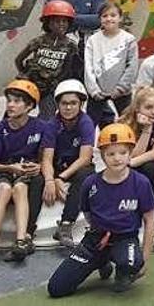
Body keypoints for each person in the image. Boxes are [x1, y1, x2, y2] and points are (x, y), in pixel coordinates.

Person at [46, 123, 154, 297]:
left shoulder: (141, 183)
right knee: (57, 288)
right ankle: (100, 261)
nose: (117, 158)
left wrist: (145, 258)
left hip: (125, 238)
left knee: (132, 264)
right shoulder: (90, 183)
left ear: (130, 153)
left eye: (123, 152)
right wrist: (100, 232)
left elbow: (150, 221)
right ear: (103, 156)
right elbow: (88, 214)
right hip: (95, 240)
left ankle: (122, 269)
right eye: (110, 154)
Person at [0, 80, 47, 269]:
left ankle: (21, 241)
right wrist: (11, 168)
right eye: (9, 101)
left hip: (24, 175)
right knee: (4, 189)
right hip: (6, 171)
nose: (10, 105)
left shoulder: (41, 127)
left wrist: (38, 167)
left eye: (17, 101)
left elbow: (46, 158)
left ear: (29, 106)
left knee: (20, 188)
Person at [41, 80, 95, 248]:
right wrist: (50, 180)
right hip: (57, 165)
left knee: (86, 174)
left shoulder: (86, 123)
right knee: (36, 179)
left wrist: (61, 178)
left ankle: (65, 225)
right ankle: (27, 233)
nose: (68, 107)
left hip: (77, 165)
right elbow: (46, 159)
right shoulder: (52, 125)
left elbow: (85, 158)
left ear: (81, 104)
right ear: (58, 104)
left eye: (73, 103)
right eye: (64, 103)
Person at [119, 87, 154, 250]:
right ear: (137, 108)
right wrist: (146, 129)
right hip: (137, 160)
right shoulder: (125, 121)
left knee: (150, 171)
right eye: (148, 108)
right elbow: (132, 153)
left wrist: (130, 163)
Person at [15, 0, 79, 118]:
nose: (61, 24)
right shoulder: (38, 41)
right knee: (15, 111)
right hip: (31, 83)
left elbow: (67, 69)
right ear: (48, 23)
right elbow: (19, 59)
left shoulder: (71, 46)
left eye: (64, 21)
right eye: (56, 21)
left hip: (50, 89)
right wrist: (24, 75)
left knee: (47, 116)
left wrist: (56, 83)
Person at [84, 2, 138, 128]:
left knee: (127, 124)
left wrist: (120, 88)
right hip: (97, 93)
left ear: (120, 18)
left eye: (113, 15)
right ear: (100, 19)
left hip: (122, 93)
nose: (109, 18)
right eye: (105, 16)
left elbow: (132, 66)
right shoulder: (93, 40)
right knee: (90, 125)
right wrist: (94, 90)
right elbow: (88, 66)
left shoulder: (129, 39)